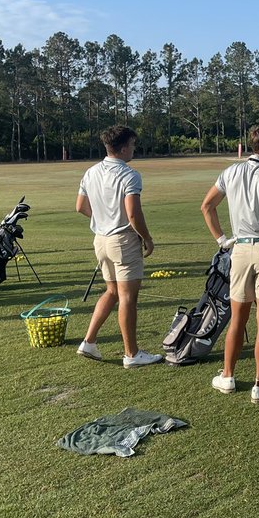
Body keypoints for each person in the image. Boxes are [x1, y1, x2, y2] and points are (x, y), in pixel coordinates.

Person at [201, 124, 259, 402]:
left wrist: (222, 240)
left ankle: (227, 376)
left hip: (239, 249)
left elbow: (207, 206)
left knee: (237, 319)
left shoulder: (230, 172)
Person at [75, 125, 161, 368]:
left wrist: (102, 218)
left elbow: (80, 206)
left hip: (100, 241)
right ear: (123, 148)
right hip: (123, 241)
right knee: (127, 297)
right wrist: (147, 238)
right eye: (132, 145)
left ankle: (89, 342)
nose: (134, 149)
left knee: (112, 292)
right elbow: (133, 214)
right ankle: (131, 354)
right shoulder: (130, 175)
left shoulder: (90, 172)